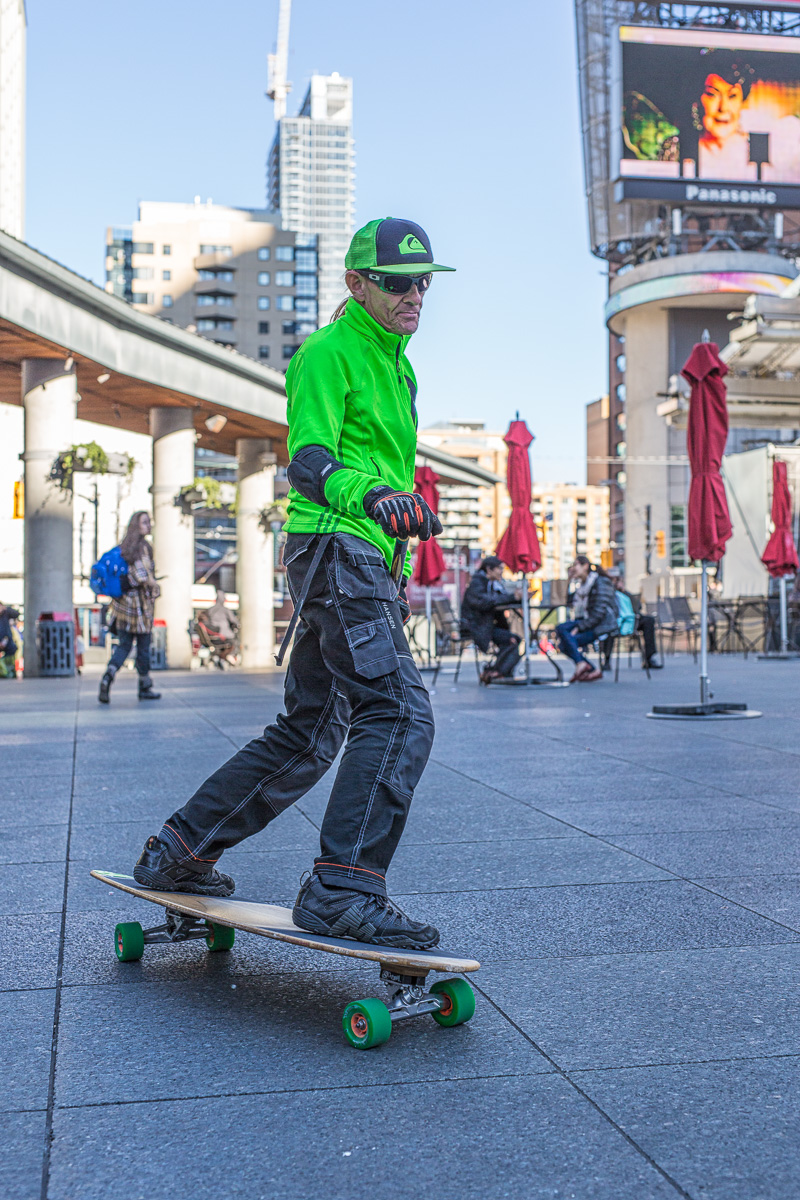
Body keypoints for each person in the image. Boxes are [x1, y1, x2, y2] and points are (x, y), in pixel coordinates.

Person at [132, 217, 455, 951]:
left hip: (360, 558)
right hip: (339, 548)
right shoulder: (328, 351)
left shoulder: (399, 367)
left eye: (425, 281)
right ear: (357, 283)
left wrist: (391, 531)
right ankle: (343, 888)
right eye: (399, 281)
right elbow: (306, 459)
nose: (416, 294)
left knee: (311, 733)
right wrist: (370, 497)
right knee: (400, 713)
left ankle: (181, 851)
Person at [98, 511, 162, 704]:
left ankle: (107, 676)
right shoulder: (142, 547)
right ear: (137, 525)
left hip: (123, 606)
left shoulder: (124, 547)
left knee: (124, 646)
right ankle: (145, 686)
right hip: (139, 608)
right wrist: (154, 585)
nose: (149, 525)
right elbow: (142, 574)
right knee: (143, 647)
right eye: (145, 522)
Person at [460, 556, 522, 684]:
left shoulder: (492, 583)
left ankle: (495, 671)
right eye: (499, 568)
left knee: (513, 639)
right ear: (489, 569)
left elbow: (497, 599)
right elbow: (484, 602)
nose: (501, 572)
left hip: (485, 625)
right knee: (512, 640)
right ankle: (496, 672)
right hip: (477, 626)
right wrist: (512, 597)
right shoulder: (478, 582)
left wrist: (517, 597)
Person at [556, 555, 618, 682]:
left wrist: (579, 628)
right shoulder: (581, 585)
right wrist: (569, 580)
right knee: (561, 633)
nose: (573, 568)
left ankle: (588, 667)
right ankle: (588, 668)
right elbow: (569, 603)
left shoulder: (600, 582)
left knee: (564, 643)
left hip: (601, 625)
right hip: (587, 621)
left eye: (575, 565)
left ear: (585, 566)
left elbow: (599, 613)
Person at [604, 574, 662, 670]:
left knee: (649, 620)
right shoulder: (607, 594)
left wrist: (623, 591)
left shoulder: (625, 595)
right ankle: (606, 660)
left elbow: (637, 606)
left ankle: (649, 658)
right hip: (616, 620)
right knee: (609, 626)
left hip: (632, 619)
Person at [200, 588, 240, 664]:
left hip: (211, 635)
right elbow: (234, 621)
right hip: (224, 634)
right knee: (234, 642)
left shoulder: (210, 610)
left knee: (223, 644)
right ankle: (227, 657)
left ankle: (219, 657)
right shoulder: (225, 610)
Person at [0, 603, 19, 678]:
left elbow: (16, 614)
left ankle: (9, 670)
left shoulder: (5, 614)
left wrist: (6, 609)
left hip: (6, 640)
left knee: (13, 648)